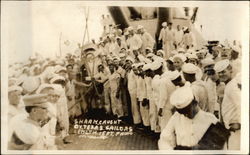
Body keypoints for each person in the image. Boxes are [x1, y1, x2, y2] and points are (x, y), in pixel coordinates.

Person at [158, 83, 229, 150]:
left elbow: (222, 147)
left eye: (187, 111)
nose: (185, 115)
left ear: (195, 103)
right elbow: (164, 139)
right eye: (182, 113)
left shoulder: (210, 119)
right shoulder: (176, 117)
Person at [214, 59, 241, 150]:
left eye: (223, 72)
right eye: (219, 73)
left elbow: (241, 105)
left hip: (235, 129)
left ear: (230, 70)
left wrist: (239, 123)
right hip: (230, 127)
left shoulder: (232, 87)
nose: (221, 75)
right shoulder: (228, 85)